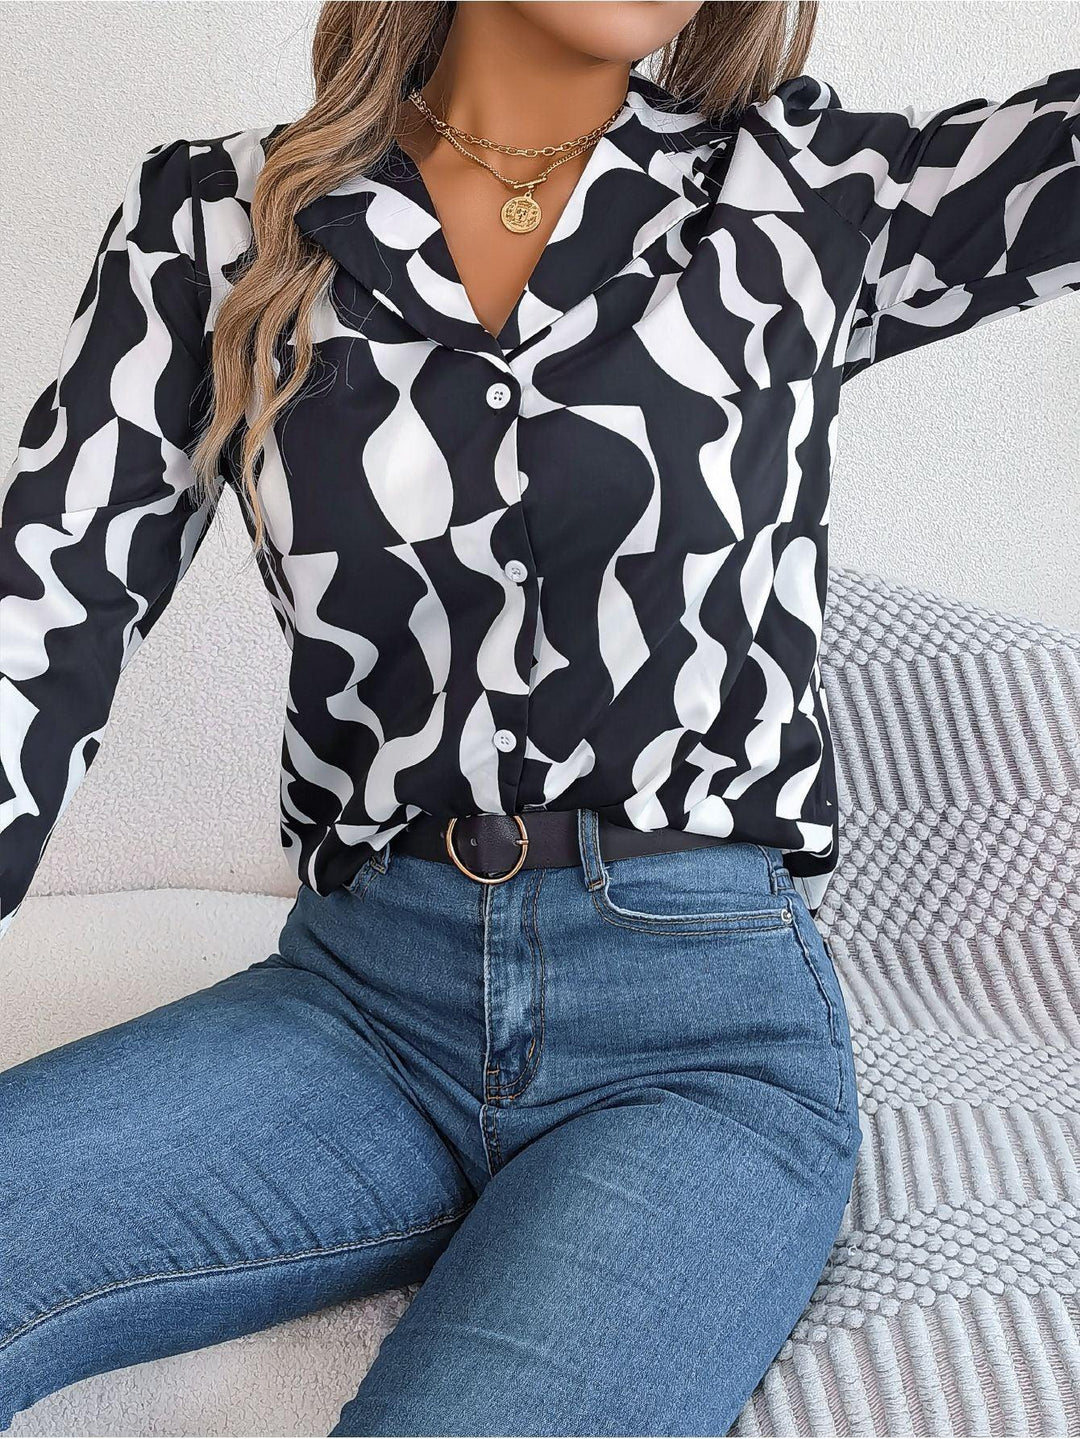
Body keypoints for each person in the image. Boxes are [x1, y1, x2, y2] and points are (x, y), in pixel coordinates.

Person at [0, 2, 1076, 1434]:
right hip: (361, 1006)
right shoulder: (214, 222)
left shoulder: (809, 194)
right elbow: (41, 611)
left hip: (697, 1049)